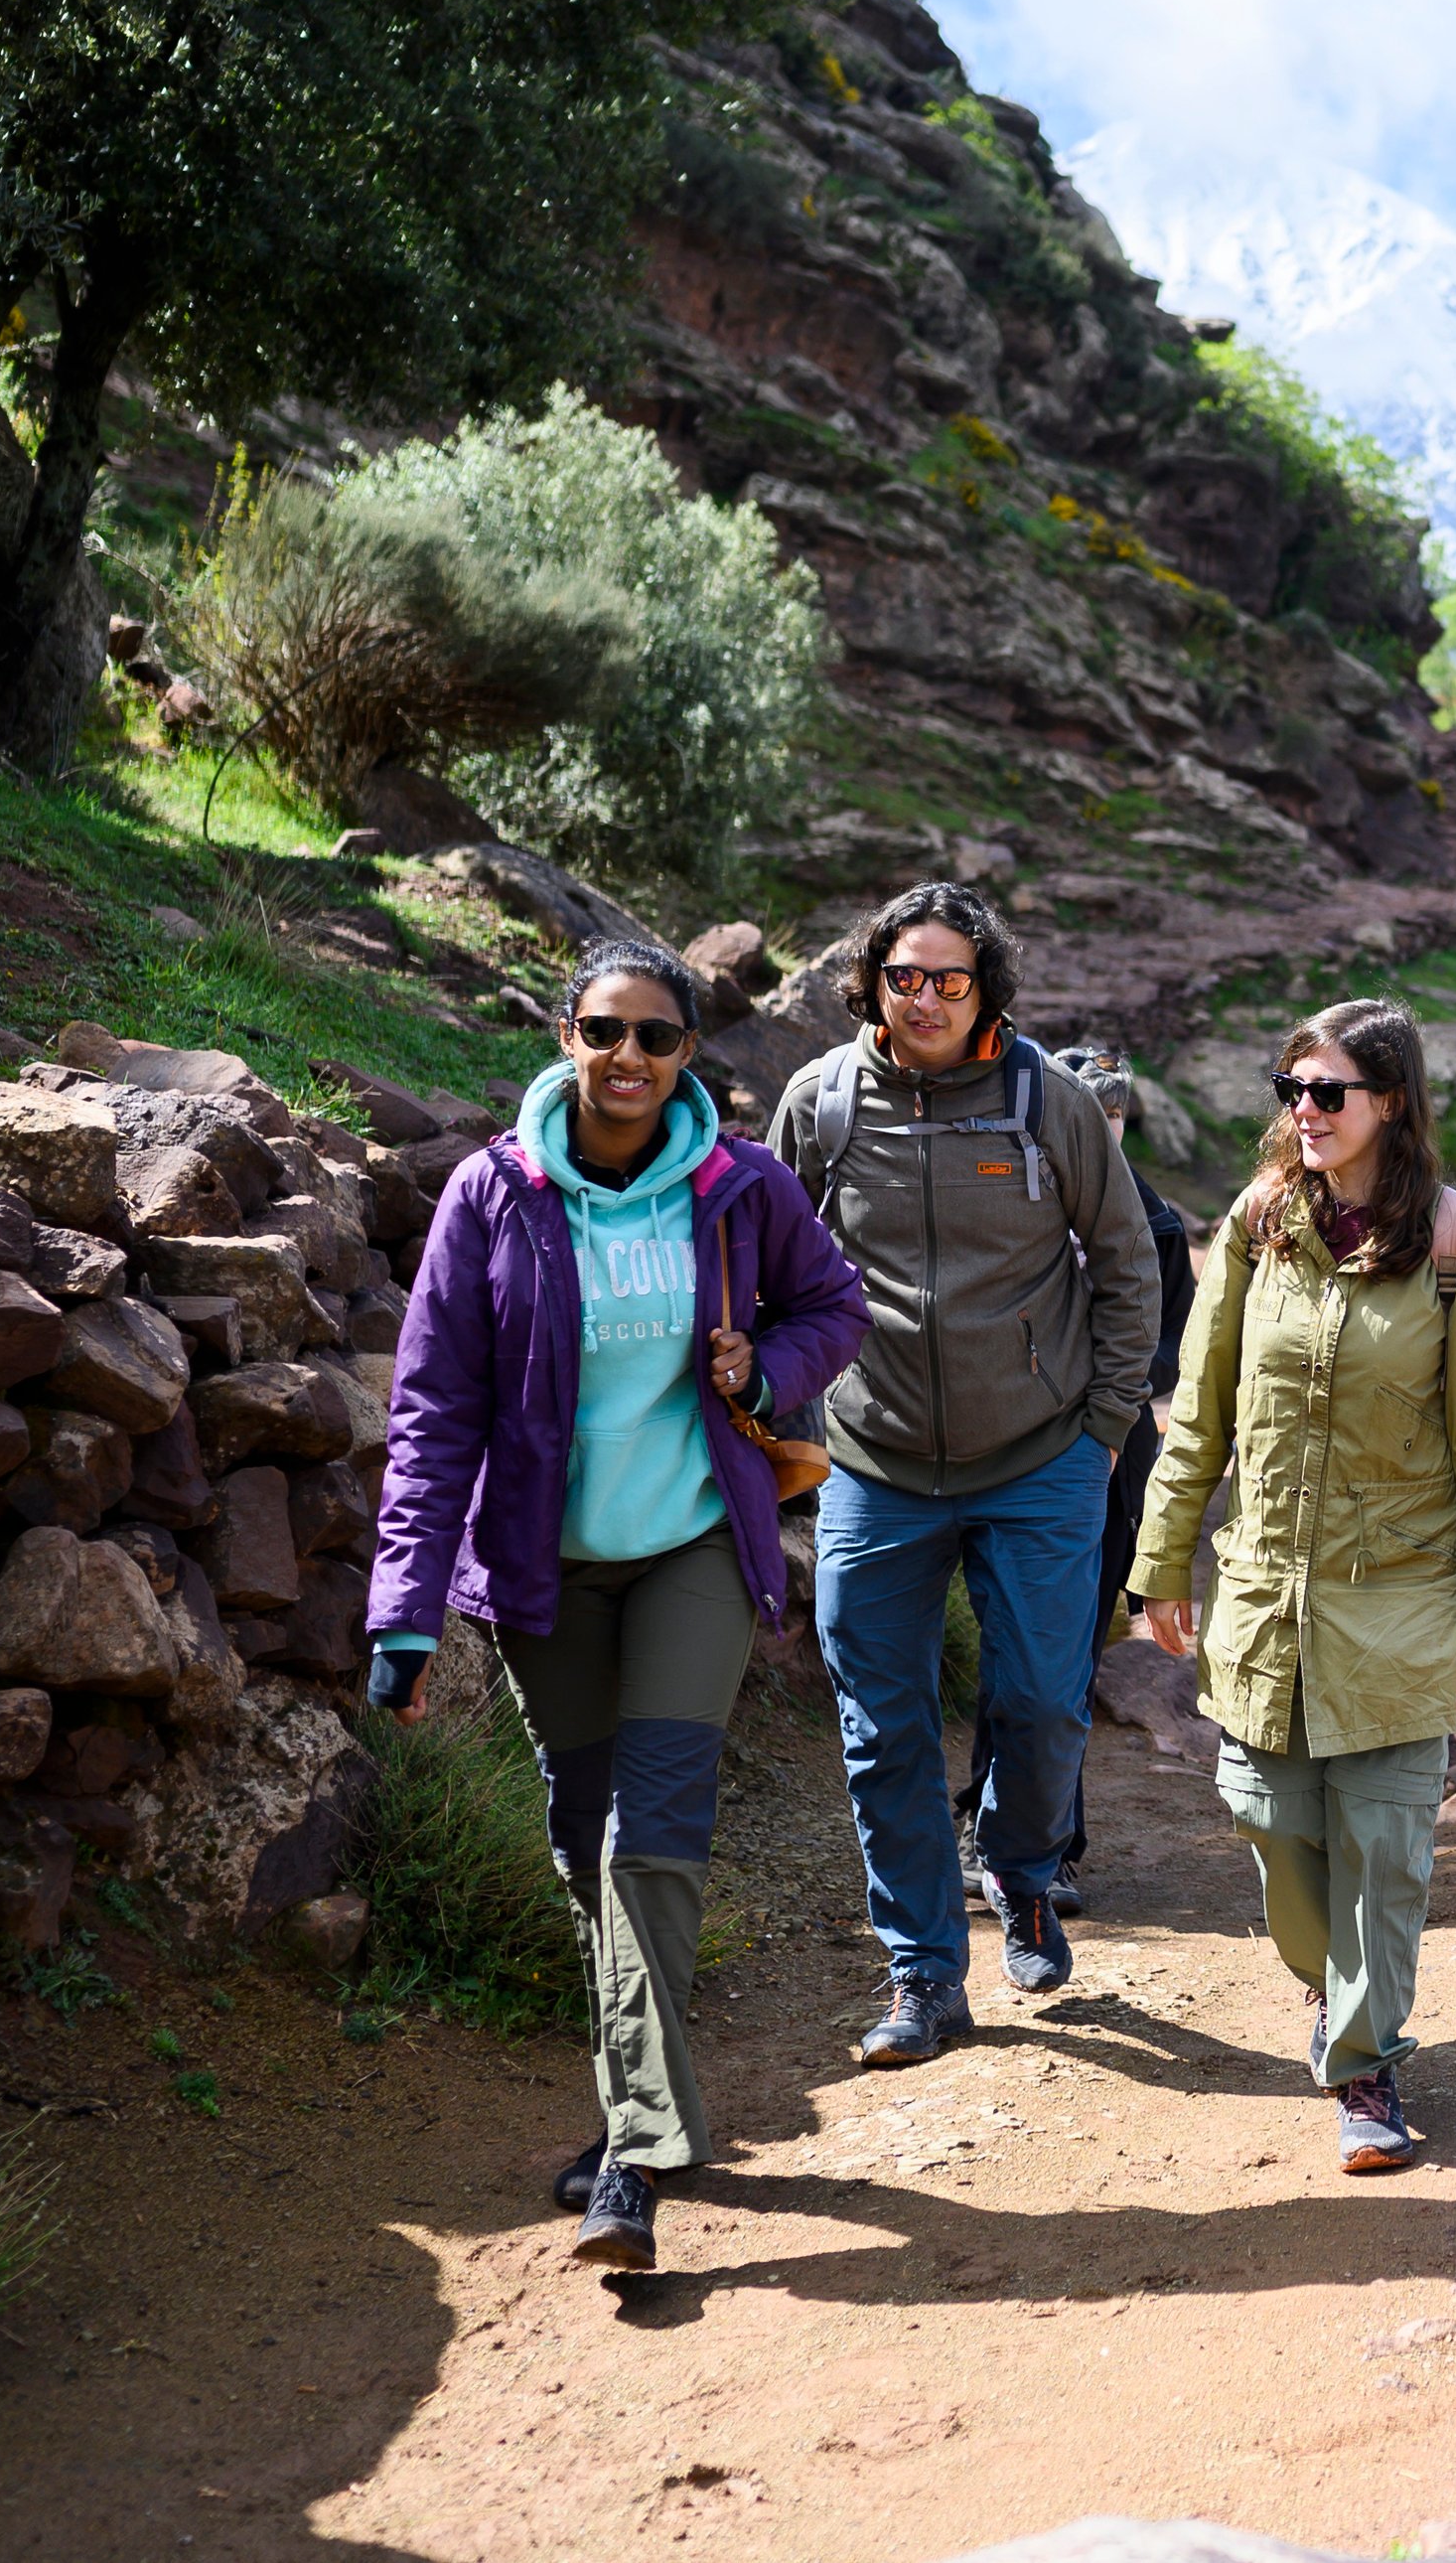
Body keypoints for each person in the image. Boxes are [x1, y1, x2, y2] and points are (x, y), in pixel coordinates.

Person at [366, 939, 867, 2274]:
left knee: (651, 1825)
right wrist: (404, 1610)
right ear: (566, 1033)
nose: (629, 1057)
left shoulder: (739, 1186)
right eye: (605, 1029)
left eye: (656, 1034)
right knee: (587, 1834)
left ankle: (634, 2154)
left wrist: (766, 1362)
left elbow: (835, 1302)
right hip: (545, 1573)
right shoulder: (491, 1194)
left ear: (690, 1052)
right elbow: (431, 1412)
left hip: (694, 1547)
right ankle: (636, 2106)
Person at [1130, 998, 1456, 2172]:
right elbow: (1198, 1405)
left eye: (1329, 1092)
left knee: (1387, 1846)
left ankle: (1365, 2062)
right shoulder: (1257, 1224)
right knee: (1268, 1816)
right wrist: (1162, 1559)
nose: (1304, 1112)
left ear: (1392, 1102)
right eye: (1290, 1090)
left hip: (1404, 1590)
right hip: (1265, 1591)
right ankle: (1331, 1984)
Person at [766, 884, 1162, 2065]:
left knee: (1044, 1700)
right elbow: (772, 1263)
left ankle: (1023, 1868)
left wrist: (1100, 1427)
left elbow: (1129, 1262)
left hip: (1043, 1456)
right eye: (904, 975)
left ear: (986, 986)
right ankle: (924, 1972)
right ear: (870, 982)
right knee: (879, 1724)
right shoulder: (822, 1102)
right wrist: (795, 1424)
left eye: (950, 977)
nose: (926, 996)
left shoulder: (1050, 1101)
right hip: (874, 1464)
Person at [954, 1045, 1192, 1920]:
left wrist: (1098, 1384)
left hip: (1108, 1457)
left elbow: (1172, 1351)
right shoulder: (1010, 1204)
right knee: (1014, 1646)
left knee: (1066, 1655)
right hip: (1001, 1451)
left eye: (1116, 1115)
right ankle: (1001, 1833)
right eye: (1088, 1111)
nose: (1103, 1130)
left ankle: (1046, 1843)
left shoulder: (1158, 1223)